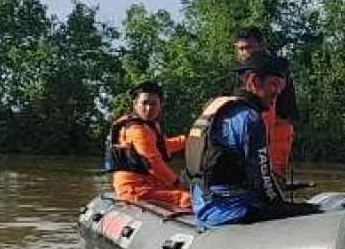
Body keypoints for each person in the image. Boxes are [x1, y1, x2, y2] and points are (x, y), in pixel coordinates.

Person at [185, 52, 316, 227]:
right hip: (231, 210)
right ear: (254, 82)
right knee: (312, 213)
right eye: (274, 84)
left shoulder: (218, 108)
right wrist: (283, 206)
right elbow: (262, 181)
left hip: (204, 205)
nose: (278, 92)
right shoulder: (251, 119)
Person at [104, 81, 191, 210]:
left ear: (161, 105)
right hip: (135, 189)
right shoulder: (136, 129)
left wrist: (188, 140)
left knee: (194, 193)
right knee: (190, 199)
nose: (149, 108)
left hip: (148, 185)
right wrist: (178, 183)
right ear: (135, 104)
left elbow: (162, 147)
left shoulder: (149, 126)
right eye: (144, 103)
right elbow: (153, 162)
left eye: (153, 104)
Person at [233, 26, 298, 180]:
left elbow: (268, 111)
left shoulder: (272, 69)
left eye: (248, 48)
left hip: (278, 130)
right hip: (261, 126)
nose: (243, 53)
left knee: (271, 176)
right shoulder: (246, 69)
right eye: (240, 49)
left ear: (262, 46)